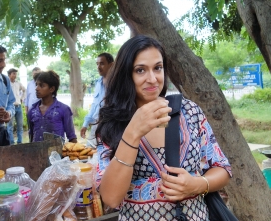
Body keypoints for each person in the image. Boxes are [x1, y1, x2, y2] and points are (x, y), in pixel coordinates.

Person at [95, 35, 232, 220]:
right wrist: (133, 132)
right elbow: (111, 198)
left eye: (157, 68)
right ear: (126, 75)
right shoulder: (112, 122)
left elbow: (221, 167)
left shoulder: (189, 112)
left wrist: (197, 184)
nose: (152, 79)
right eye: (140, 70)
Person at [27, 70, 77, 143]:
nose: (36, 88)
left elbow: (72, 138)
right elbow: (31, 137)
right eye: (36, 85)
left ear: (52, 89)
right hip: (36, 153)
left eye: (41, 85)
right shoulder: (32, 111)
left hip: (57, 153)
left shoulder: (63, 109)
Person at [80, 53, 114, 148]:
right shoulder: (98, 83)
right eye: (97, 64)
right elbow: (94, 105)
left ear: (111, 65)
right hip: (96, 126)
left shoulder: (117, 84)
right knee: (90, 153)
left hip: (111, 127)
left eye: (102, 63)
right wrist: (85, 124)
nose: (98, 67)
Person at [7, 68, 26, 144]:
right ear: (9, 75)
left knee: (20, 126)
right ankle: (11, 143)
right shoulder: (6, 83)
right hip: (10, 107)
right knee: (10, 126)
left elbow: (25, 90)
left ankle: (19, 142)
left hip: (18, 107)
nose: (15, 75)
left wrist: (22, 98)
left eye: (16, 73)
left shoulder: (18, 83)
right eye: (13, 73)